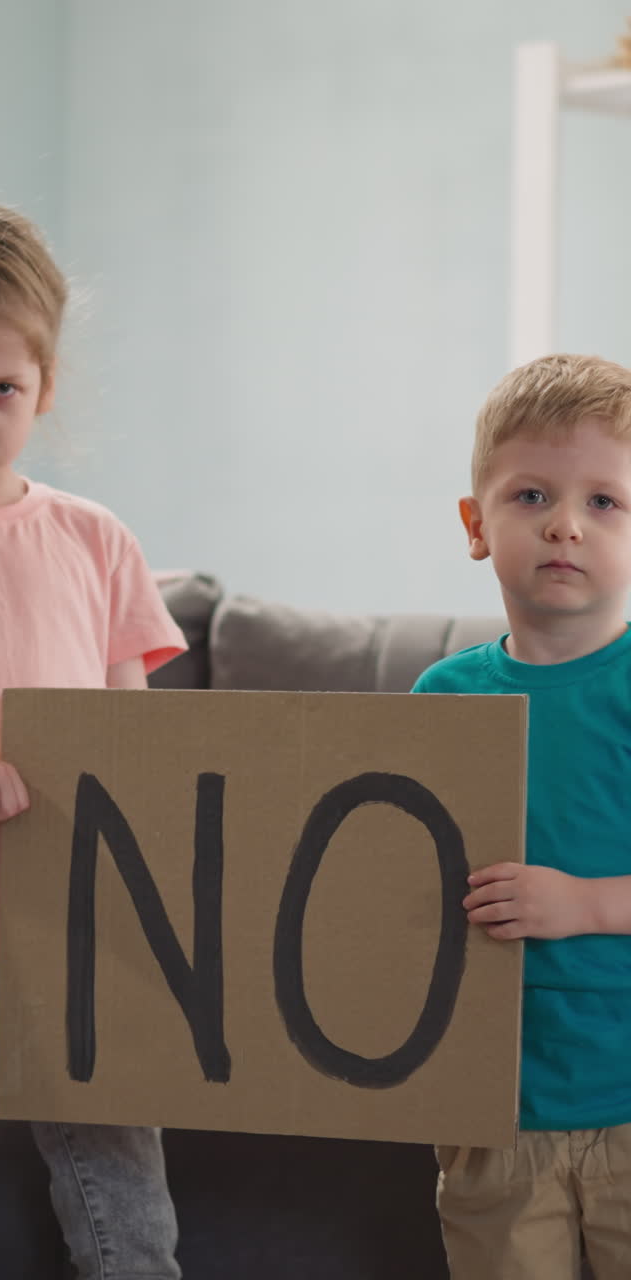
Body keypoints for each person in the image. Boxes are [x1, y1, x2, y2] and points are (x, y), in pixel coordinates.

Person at [0, 203, 185, 1279]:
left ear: (46, 388)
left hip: (73, 918)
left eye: (3, 392)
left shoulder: (94, 538)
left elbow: (134, 735)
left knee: (123, 1188)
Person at [412, 353, 631, 1280]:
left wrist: (584, 905)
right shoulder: (440, 699)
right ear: (476, 525)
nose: (566, 526)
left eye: (605, 502)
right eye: (532, 495)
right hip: (491, 1114)